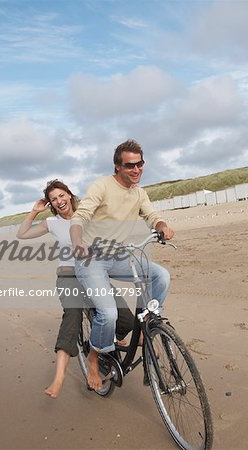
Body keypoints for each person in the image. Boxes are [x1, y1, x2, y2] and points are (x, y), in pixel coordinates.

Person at [70, 140, 174, 391]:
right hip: (91, 258)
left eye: (140, 164)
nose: (136, 169)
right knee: (109, 314)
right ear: (118, 166)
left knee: (161, 275)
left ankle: (147, 325)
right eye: (130, 165)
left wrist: (161, 226)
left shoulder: (139, 193)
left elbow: (151, 215)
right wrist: (77, 240)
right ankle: (94, 359)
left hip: (119, 257)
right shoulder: (102, 186)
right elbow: (80, 216)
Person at [16, 179, 134, 398]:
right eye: (54, 199)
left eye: (62, 196)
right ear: (51, 204)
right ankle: (59, 377)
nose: (59, 201)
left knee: (126, 319)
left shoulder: (87, 216)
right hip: (69, 276)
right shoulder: (52, 223)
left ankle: (107, 341)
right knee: (72, 316)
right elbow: (22, 234)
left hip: (92, 274)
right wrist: (34, 212)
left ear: (69, 195)